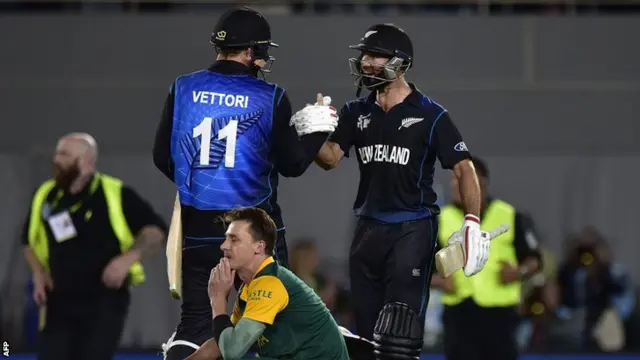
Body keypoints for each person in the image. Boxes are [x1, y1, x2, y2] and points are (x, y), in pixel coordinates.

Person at [152, 6, 338, 359]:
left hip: (198, 225)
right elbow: (294, 164)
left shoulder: (183, 87)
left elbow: (163, 157)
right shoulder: (270, 96)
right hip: (255, 231)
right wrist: (317, 128)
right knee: (270, 322)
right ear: (251, 52)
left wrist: (199, 186)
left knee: (195, 321)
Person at [308, 23, 492, 359]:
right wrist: (312, 133)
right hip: (367, 228)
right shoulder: (356, 111)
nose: (366, 62)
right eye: (365, 55)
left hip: (412, 229)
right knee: (364, 332)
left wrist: (471, 221)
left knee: (400, 331)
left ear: (400, 63)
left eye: (375, 55)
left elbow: (464, 168)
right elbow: (330, 159)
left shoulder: (431, 114)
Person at [22, 132, 167, 360]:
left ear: (87, 163)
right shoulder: (46, 195)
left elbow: (155, 231)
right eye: (57, 153)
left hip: (103, 301)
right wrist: (38, 274)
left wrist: (128, 259)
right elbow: (28, 241)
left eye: (65, 155)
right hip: (58, 299)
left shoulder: (115, 194)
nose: (56, 160)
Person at [184, 207, 349, 360]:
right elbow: (223, 341)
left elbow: (232, 351)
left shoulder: (270, 284)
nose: (224, 246)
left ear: (259, 247)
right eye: (226, 238)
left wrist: (218, 302)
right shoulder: (252, 285)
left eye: (234, 239)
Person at [430, 156, 542, 360]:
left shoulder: (510, 216)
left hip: (499, 315)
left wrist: (518, 272)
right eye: (453, 181)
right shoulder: (440, 220)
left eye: (459, 180)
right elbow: (417, 268)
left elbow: (535, 259)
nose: (454, 186)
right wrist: (438, 281)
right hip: (459, 314)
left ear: (479, 182)